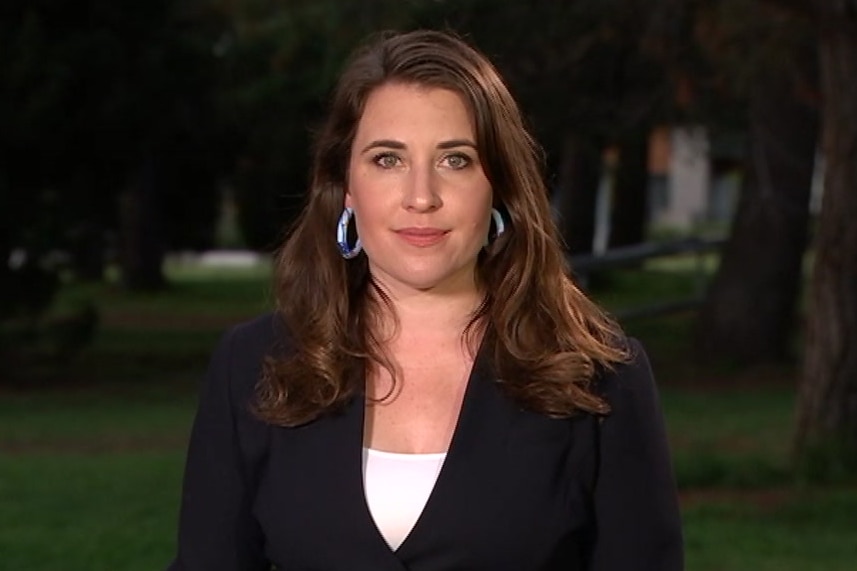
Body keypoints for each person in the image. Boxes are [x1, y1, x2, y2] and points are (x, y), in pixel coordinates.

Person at [166, 29, 683, 571]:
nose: (421, 196)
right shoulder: (253, 365)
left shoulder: (601, 379)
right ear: (346, 186)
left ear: (500, 186)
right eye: (388, 159)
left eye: (455, 160)